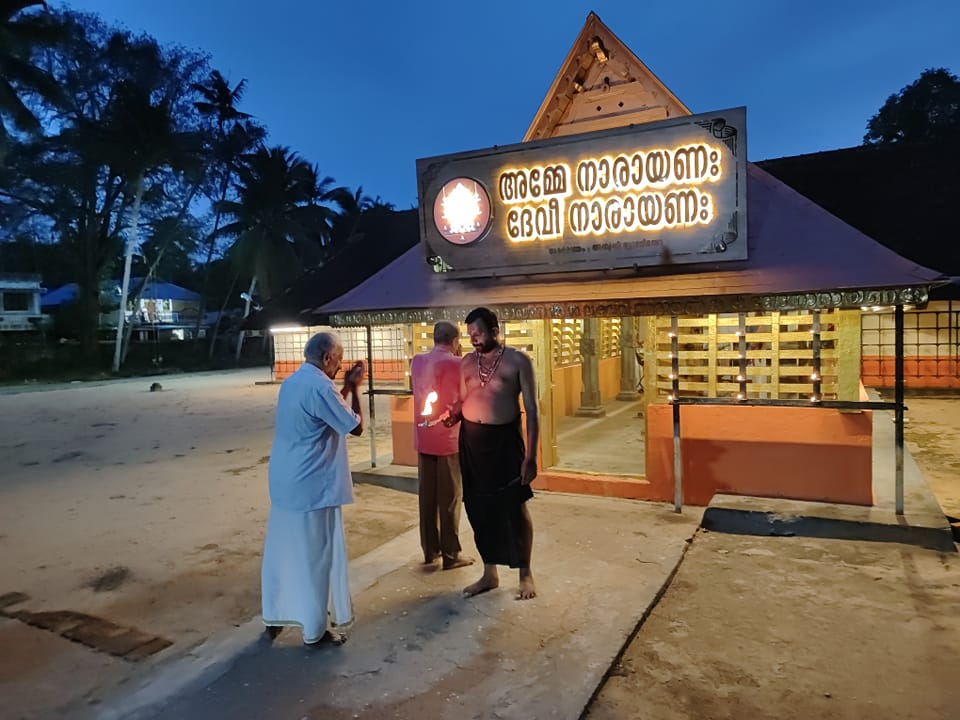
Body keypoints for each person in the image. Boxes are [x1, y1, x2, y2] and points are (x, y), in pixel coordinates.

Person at [260, 331, 364, 645]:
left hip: (285, 481)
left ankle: (275, 616)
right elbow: (354, 426)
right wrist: (356, 388)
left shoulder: (293, 382)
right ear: (328, 358)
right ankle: (314, 630)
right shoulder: (320, 386)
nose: (339, 366)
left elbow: (328, 411)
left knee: (283, 552)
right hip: (311, 487)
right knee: (316, 558)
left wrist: (344, 386)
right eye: (339, 360)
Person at [444, 307, 540, 600]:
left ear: (495, 330)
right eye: (470, 334)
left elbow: (533, 411)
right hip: (472, 442)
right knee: (478, 508)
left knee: (514, 507)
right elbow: (464, 399)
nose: (474, 339)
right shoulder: (466, 363)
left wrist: (532, 456)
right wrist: (453, 415)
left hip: (505, 443)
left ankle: (525, 573)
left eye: (479, 332)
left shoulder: (518, 361)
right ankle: (490, 573)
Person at [410, 321, 475, 571]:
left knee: (427, 497)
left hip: (423, 438)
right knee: (449, 499)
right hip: (448, 440)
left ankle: (430, 550)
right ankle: (451, 554)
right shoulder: (458, 363)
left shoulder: (416, 361)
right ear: (455, 341)